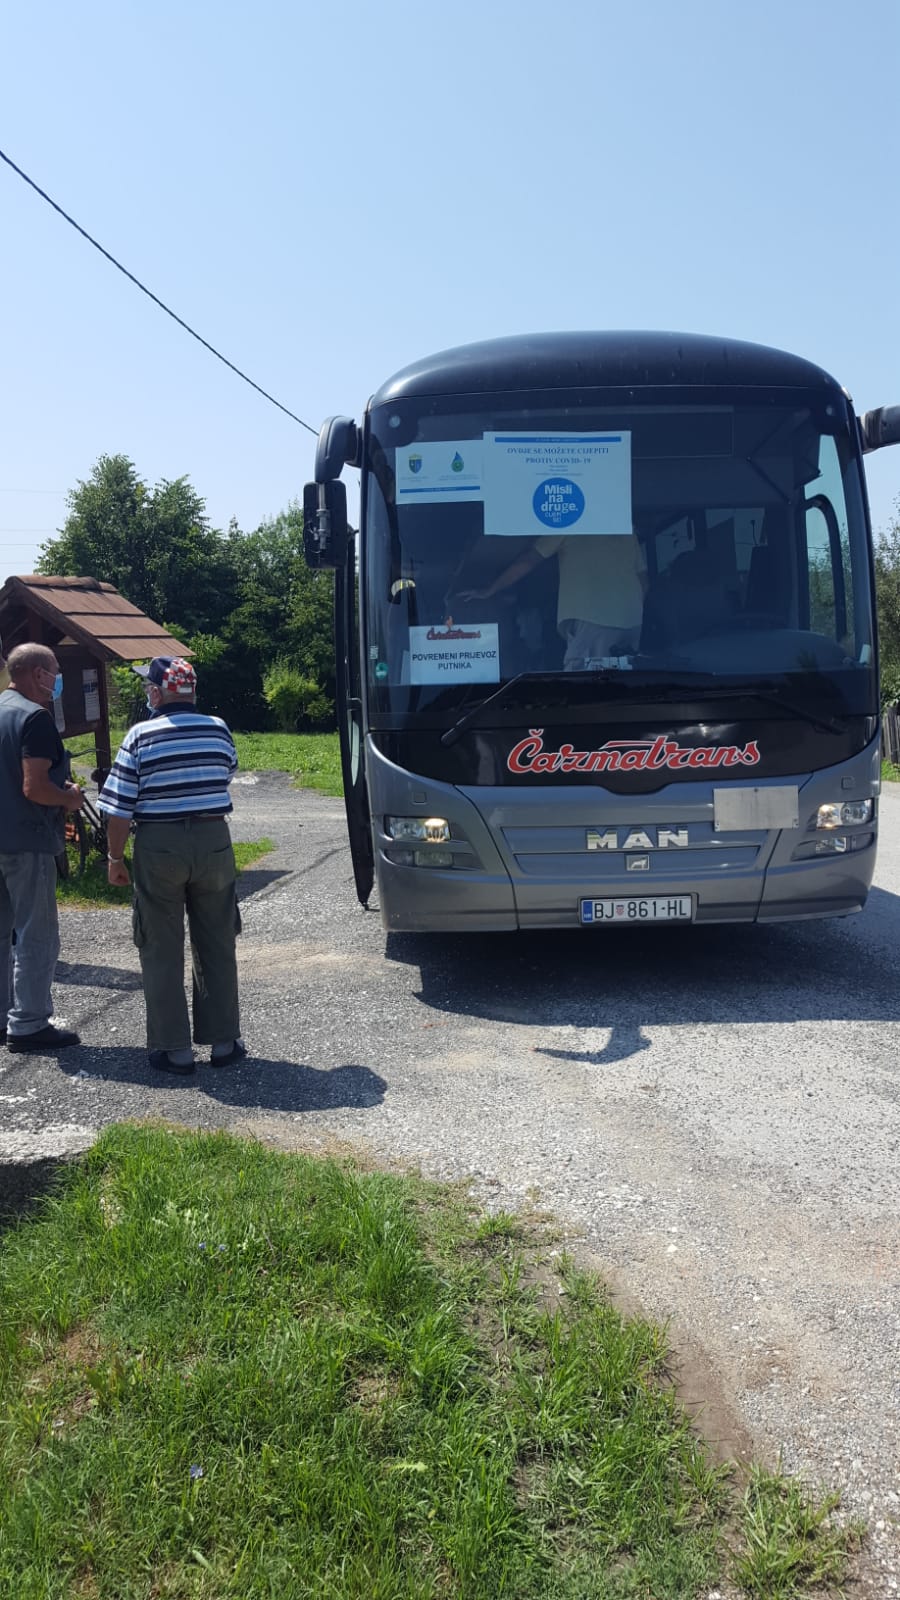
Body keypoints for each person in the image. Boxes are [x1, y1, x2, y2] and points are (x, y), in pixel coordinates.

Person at [97, 656, 245, 1076]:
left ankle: (174, 1050)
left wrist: (114, 858)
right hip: (214, 840)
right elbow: (226, 773)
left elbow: (119, 809)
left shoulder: (140, 736)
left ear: (158, 693)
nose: (147, 693)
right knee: (217, 940)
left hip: (159, 844)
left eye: (149, 687)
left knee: (160, 945)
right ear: (191, 692)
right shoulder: (218, 729)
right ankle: (224, 1042)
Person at [0, 643, 84, 1051]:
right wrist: (69, 798)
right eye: (55, 671)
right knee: (36, 934)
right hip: (27, 840)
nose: (57, 680)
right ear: (38, 674)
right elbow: (34, 787)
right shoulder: (34, 718)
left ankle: (3, 1015)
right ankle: (29, 1023)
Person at [458, 531, 647, 669]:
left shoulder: (571, 524)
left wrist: (490, 590)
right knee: (624, 676)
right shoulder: (626, 528)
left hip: (594, 619)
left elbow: (528, 560)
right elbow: (644, 582)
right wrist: (630, 609)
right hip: (633, 621)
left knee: (585, 685)